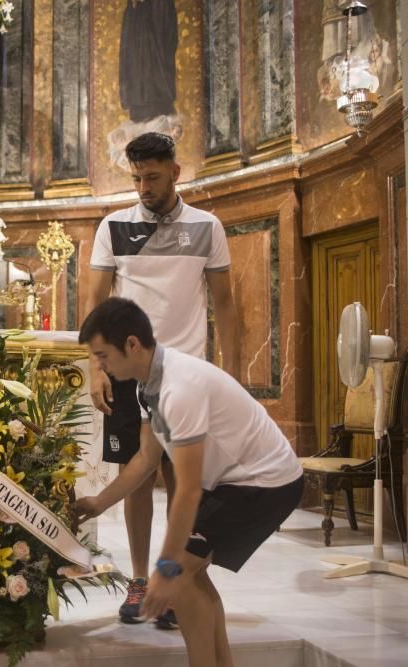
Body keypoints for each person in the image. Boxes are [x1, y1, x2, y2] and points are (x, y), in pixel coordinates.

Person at [74, 298, 303, 667]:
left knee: (180, 575)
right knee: (190, 578)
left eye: (102, 355)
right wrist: (98, 503)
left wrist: (165, 569)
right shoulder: (147, 383)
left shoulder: (179, 389)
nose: (98, 366)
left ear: (132, 344)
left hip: (265, 482)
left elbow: (189, 489)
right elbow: (147, 459)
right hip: (239, 481)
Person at [86, 131, 240, 628]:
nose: (143, 187)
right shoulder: (113, 226)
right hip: (127, 374)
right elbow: (95, 308)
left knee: (183, 481)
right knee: (135, 478)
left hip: (186, 373)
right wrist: (96, 367)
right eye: (136, 178)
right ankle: (137, 580)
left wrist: (230, 376)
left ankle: (173, 582)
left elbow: (226, 306)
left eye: (152, 177)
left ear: (176, 171)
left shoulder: (207, 226)